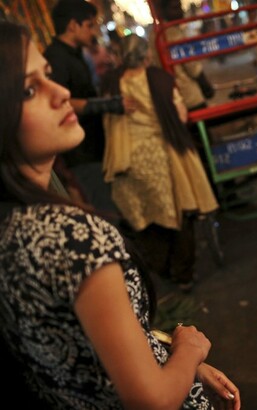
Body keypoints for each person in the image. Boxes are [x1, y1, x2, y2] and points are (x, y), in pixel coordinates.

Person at [0, 20, 240, 409]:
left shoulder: (17, 224)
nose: (61, 93)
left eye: (47, 76)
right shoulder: (73, 236)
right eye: (29, 89)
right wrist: (188, 349)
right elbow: (153, 399)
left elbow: (81, 349)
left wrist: (169, 357)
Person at [101, 34, 219, 292]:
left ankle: (162, 268)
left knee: (143, 219)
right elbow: (180, 114)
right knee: (179, 213)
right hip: (161, 159)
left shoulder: (111, 82)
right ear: (147, 55)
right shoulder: (160, 79)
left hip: (127, 163)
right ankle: (182, 274)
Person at [43, 0, 135, 220]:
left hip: (93, 143)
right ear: (73, 25)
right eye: (89, 25)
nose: (93, 31)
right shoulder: (56, 57)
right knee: (107, 210)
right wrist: (109, 104)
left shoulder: (76, 54)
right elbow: (61, 100)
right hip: (81, 151)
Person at [152, 0, 214, 111]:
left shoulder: (155, 34)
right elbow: (192, 66)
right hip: (189, 95)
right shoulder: (172, 33)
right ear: (163, 11)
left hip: (172, 96)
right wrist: (206, 86)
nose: (181, 12)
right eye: (175, 8)